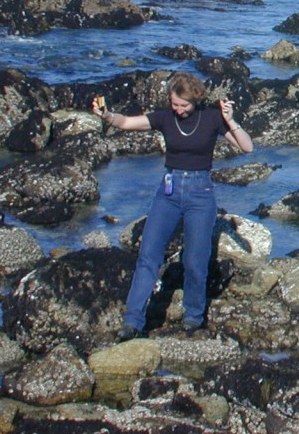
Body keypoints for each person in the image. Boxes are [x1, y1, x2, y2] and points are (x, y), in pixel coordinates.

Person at [92, 71, 253, 341]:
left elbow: (247, 147)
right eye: (175, 104)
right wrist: (107, 115)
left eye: (184, 105)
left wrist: (230, 119)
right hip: (168, 192)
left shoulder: (213, 118)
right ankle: (132, 322)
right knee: (148, 256)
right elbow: (127, 122)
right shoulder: (165, 118)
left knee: (195, 261)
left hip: (201, 195)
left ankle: (193, 317)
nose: (179, 110)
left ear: (196, 100)